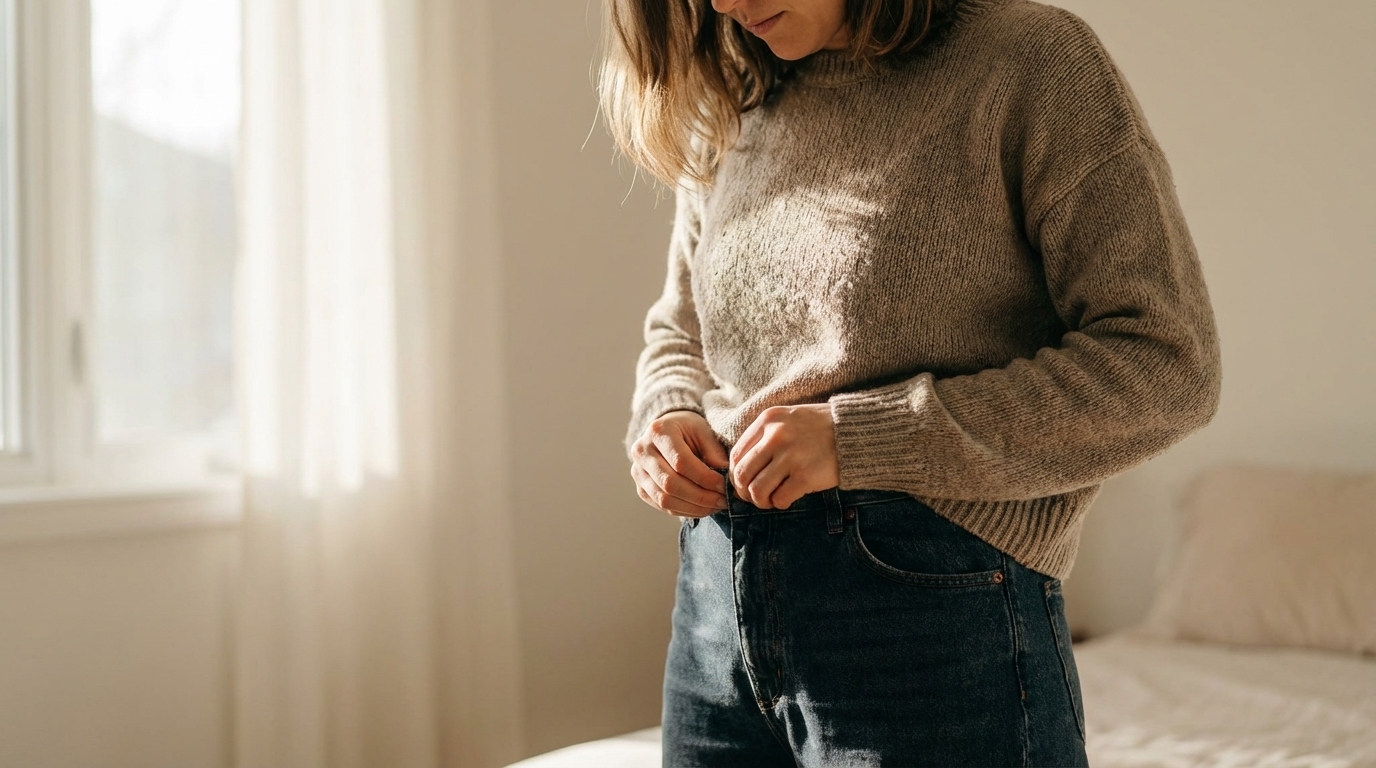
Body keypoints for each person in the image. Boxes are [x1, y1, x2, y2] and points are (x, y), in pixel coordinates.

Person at [602, 0, 1222, 764]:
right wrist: (664, 418)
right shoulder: (738, 92)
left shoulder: (1029, 62)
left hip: (933, 615)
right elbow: (683, 328)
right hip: (713, 606)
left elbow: (1166, 364)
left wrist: (860, 438)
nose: (724, 3)